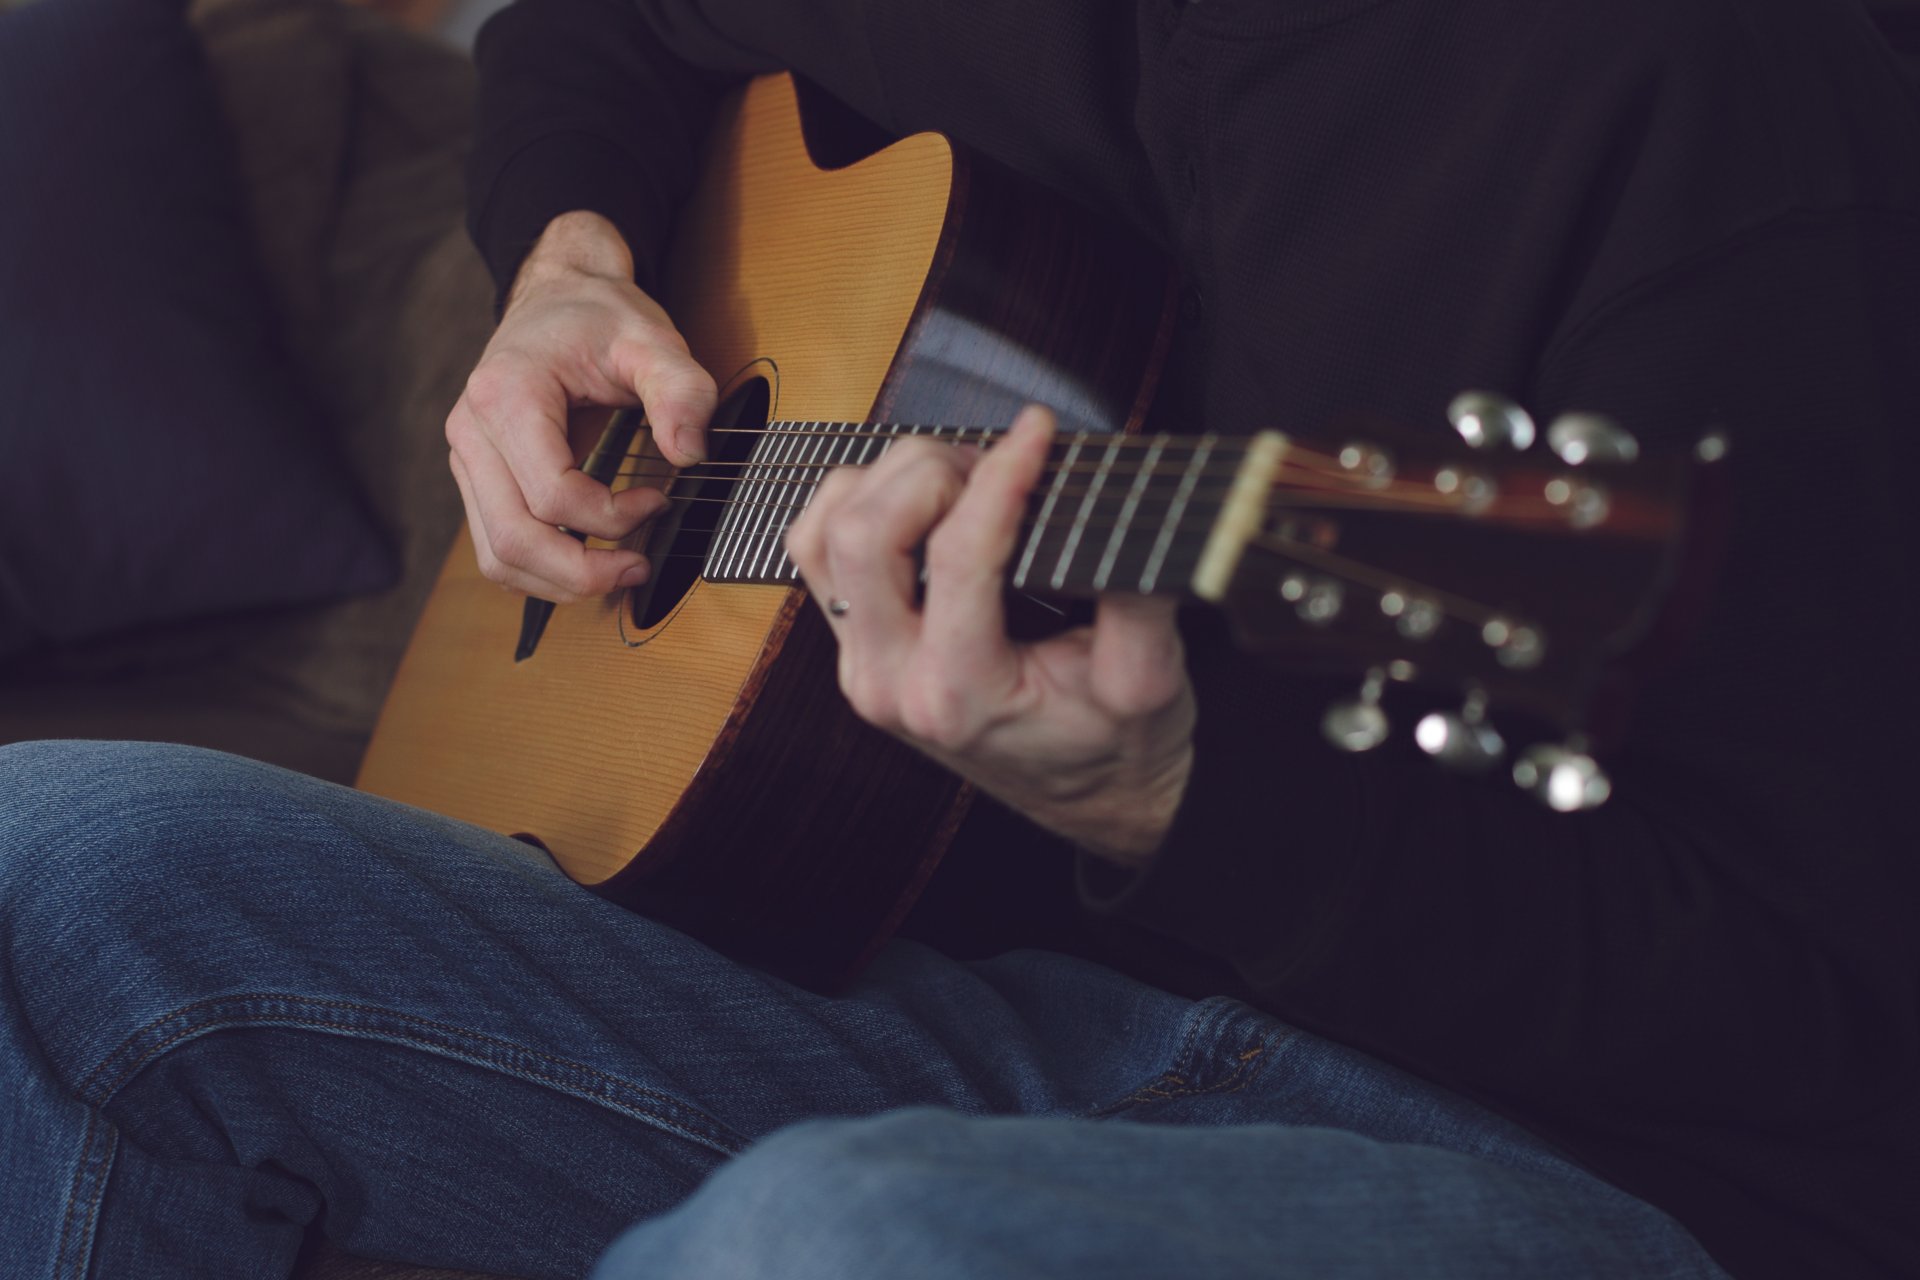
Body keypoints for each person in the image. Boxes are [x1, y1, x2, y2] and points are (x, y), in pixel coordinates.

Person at [3, 1, 1917, 1277]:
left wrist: (1181, 796)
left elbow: (1838, 1047)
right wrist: (560, 259)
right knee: (50, 870)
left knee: (838, 1243)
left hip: (1585, 1162)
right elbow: (589, 21)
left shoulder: (1712, 121)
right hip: (973, 988)